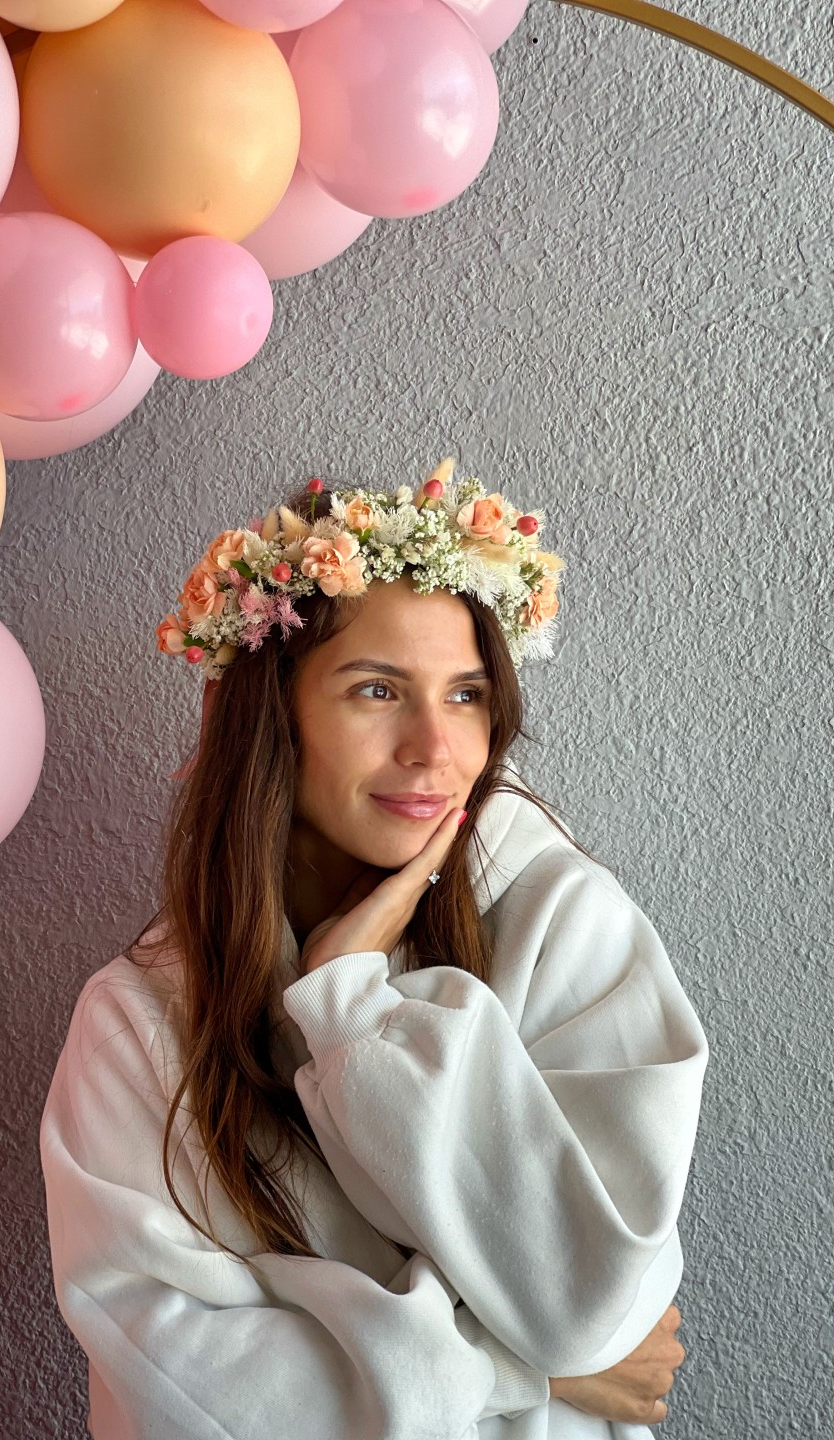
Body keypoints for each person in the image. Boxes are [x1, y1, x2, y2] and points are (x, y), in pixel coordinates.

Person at [40, 459, 709, 1439]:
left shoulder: (565, 920)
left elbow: (591, 1310)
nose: (435, 750)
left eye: (468, 694)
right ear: (277, 717)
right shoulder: (139, 1020)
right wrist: (510, 1374)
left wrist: (354, 1008)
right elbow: (187, 1390)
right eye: (377, 689)